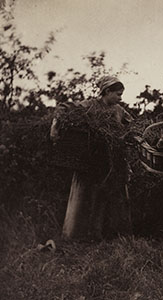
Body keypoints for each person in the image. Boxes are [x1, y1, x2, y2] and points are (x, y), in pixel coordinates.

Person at [50, 76, 133, 241]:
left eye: (121, 94)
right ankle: (76, 236)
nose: (120, 98)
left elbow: (132, 124)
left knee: (108, 196)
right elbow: (62, 108)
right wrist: (54, 126)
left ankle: (105, 235)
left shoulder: (119, 110)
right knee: (85, 195)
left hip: (111, 160)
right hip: (90, 159)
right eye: (117, 94)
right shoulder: (88, 106)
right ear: (106, 91)